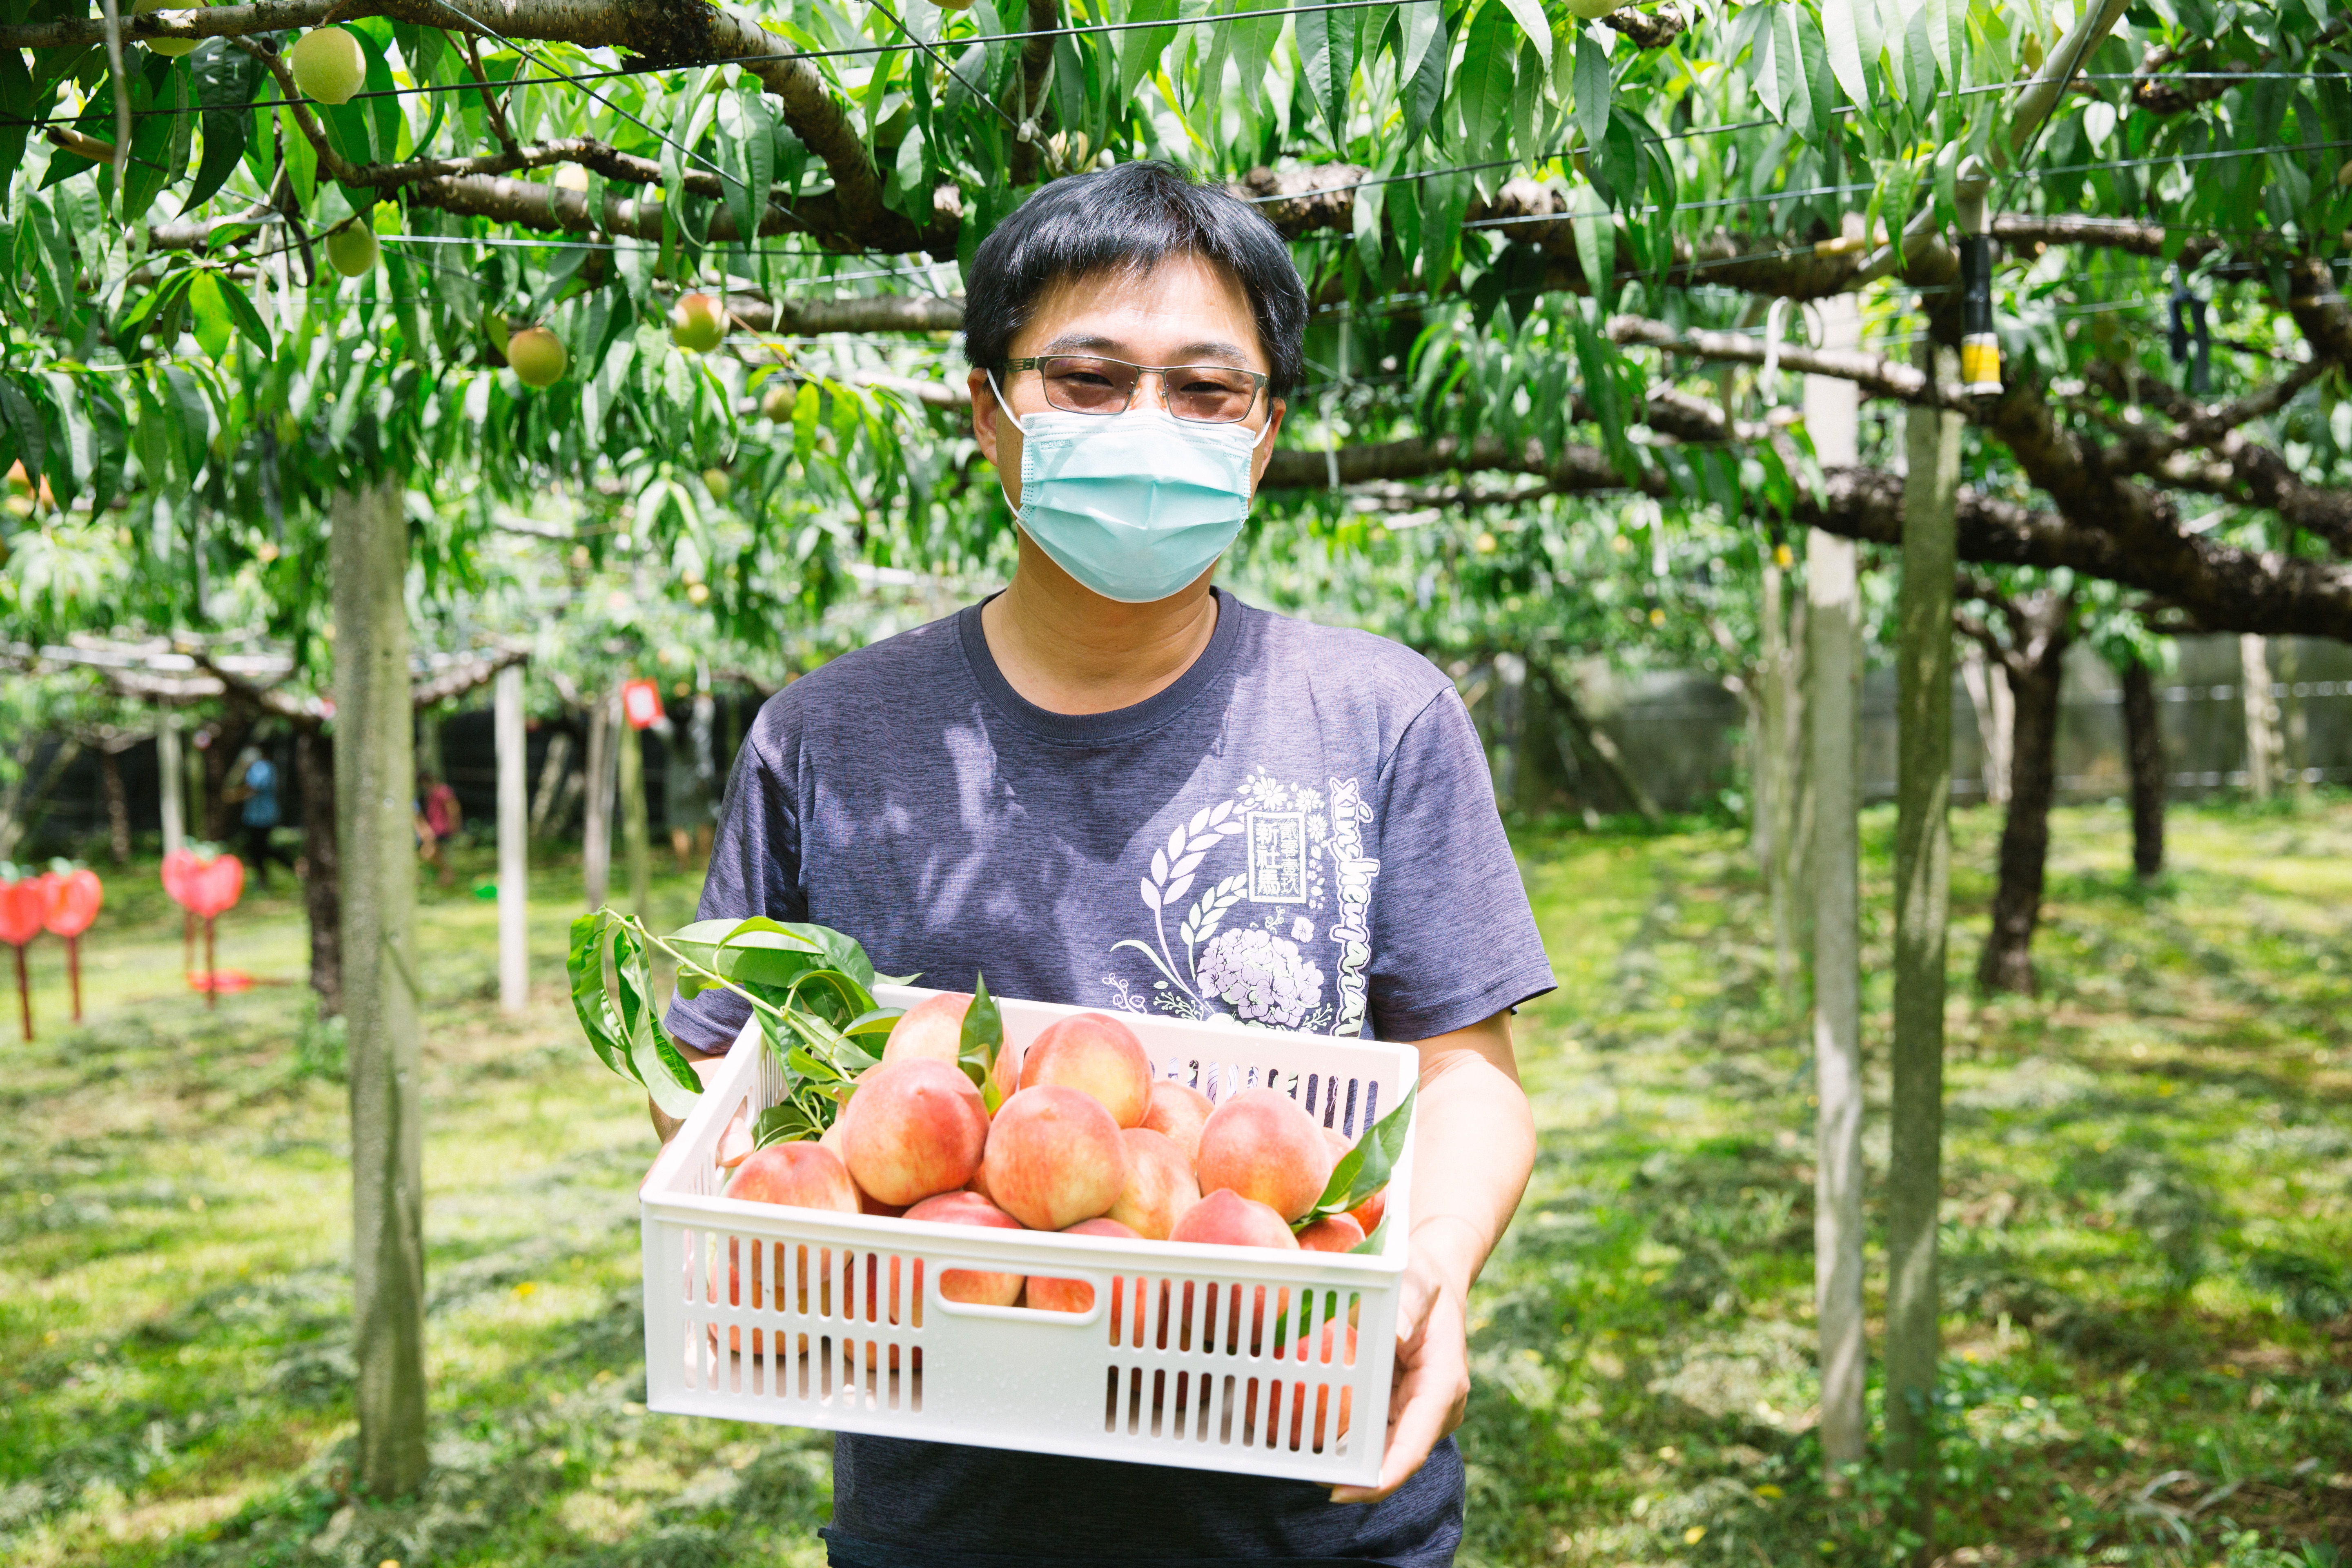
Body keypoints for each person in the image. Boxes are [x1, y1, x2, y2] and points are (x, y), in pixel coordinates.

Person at [659, 161, 1552, 1567]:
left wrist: (1432, 1262)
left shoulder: (1379, 716)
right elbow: (713, 1083)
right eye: (1087, 379)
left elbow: (1467, 1078)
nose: (1150, 423)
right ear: (990, 416)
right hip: (954, 1516)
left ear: (1263, 439)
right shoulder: (828, 740)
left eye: (1207, 391)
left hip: (1310, 1504)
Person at [224, 746, 295, 888]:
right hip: (254, 817)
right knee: (257, 849)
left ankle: (294, 866)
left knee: (262, 848)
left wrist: (234, 796)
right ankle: (264, 880)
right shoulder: (255, 769)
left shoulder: (261, 767)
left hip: (263, 817)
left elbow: (254, 788)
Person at [417, 769, 462, 887]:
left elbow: (453, 809)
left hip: (443, 829)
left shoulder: (443, 792)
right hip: (435, 829)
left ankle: (447, 876)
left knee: (428, 853)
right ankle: (446, 876)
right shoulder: (431, 794)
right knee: (434, 854)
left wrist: (455, 825)